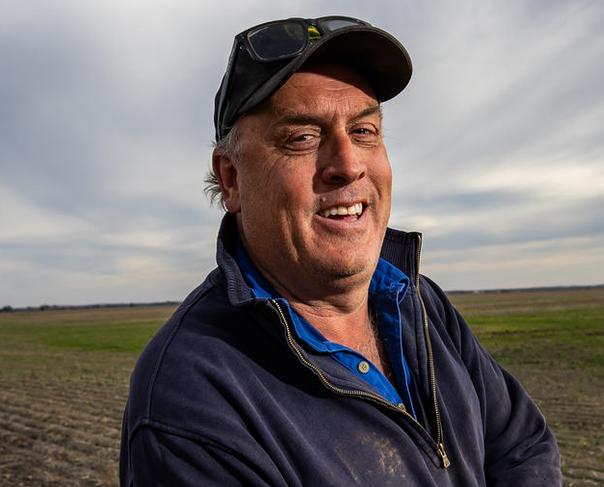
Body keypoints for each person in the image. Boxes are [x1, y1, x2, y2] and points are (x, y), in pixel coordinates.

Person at [120, 16, 561, 486]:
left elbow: (522, 445)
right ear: (231, 178)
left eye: (364, 131)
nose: (348, 165)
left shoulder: (418, 301)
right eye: (302, 137)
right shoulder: (194, 400)